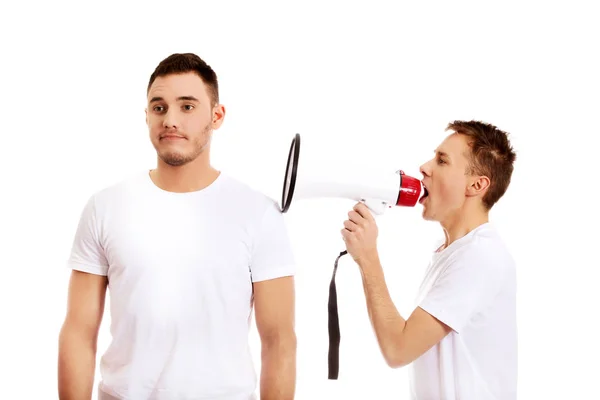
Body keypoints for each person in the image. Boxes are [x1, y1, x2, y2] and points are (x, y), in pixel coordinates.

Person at [58, 53, 297, 400]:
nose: (170, 119)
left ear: (216, 116)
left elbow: (279, 341)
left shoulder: (257, 213)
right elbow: (79, 332)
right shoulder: (105, 207)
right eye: (159, 107)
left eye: (187, 107)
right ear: (146, 115)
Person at [341, 120, 518, 399]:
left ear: (477, 184)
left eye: (442, 161)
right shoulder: (451, 251)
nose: (424, 167)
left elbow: (398, 349)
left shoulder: (480, 258)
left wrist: (367, 259)